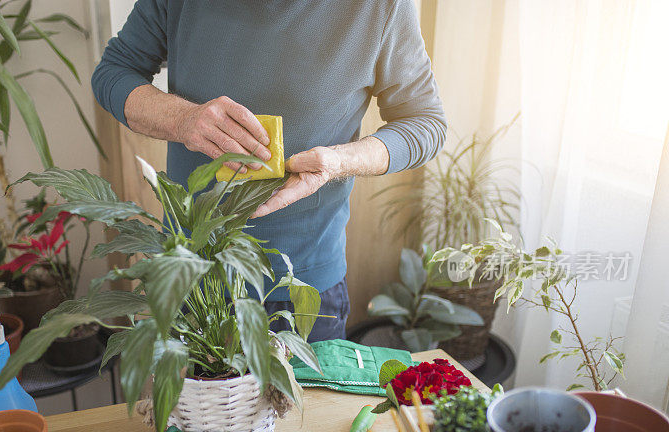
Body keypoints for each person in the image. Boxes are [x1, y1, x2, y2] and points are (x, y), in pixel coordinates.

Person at [91, 0, 446, 342]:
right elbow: (113, 72)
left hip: (302, 287)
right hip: (190, 278)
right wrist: (183, 119)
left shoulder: (381, 7)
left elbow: (425, 123)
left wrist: (338, 162)